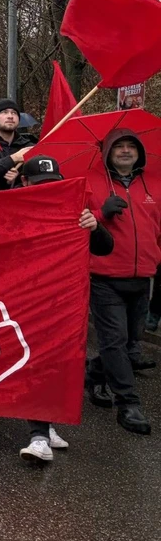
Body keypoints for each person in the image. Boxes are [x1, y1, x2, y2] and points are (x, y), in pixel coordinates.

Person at [16, 154, 112, 461]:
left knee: (58, 363)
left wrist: (94, 226)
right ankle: (39, 434)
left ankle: (46, 424)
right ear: (24, 182)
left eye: (52, 183)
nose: (47, 188)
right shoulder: (12, 209)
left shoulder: (73, 210)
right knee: (35, 363)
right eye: (39, 183)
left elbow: (105, 247)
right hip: (24, 301)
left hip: (63, 302)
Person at [84, 128, 160, 435]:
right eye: (119, 146)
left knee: (129, 345)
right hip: (104, 277)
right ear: (108, 153)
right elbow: (75, 221)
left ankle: (93, 373)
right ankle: (128, 404)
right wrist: (101, 213)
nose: (126, 150)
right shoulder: (90, 181)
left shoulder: (154, 183)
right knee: (114, 341)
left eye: (131, 146)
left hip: (142, 277)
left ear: (139, 153)